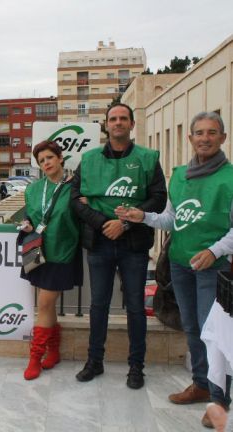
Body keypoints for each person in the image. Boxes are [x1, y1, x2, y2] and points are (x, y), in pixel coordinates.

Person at [116, 112, 233, 427]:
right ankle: (200, 384)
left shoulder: (231, 177)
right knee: (193, 327)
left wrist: (214, 250)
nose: (204, 138)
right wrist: (143, 217)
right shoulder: (180, 175)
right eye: (198, 132)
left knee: (216, 335)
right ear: (190, 138)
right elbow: (171, 219)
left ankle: (219, 402)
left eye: (212, 132)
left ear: (223, 137)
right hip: (181, 264)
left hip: (216, 268)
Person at [71, 103, 167, 389]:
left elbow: (159, 199)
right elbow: (75, 199)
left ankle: (136, 367)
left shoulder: (148, 158)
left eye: (123, 118)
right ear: (106, 125)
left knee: (136, 307)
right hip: (99, 243)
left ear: (132, 124)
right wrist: (103, 223)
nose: (118, 123)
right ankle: (94, 362)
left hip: (135, 246)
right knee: (98, 305)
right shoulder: (88, 159)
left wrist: (124, 223)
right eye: (113, 119)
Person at [20, 141, 82, 380]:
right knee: (47, 305)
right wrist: (26, 224)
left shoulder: (75, 186)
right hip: (37, 251)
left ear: (60, 158)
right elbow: (30, 215)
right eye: (42, 160)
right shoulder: (34, 189)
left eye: (50, 158)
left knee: (44, 304)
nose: (46, 163)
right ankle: (53, 352)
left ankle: (35, 357)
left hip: (63, 250)